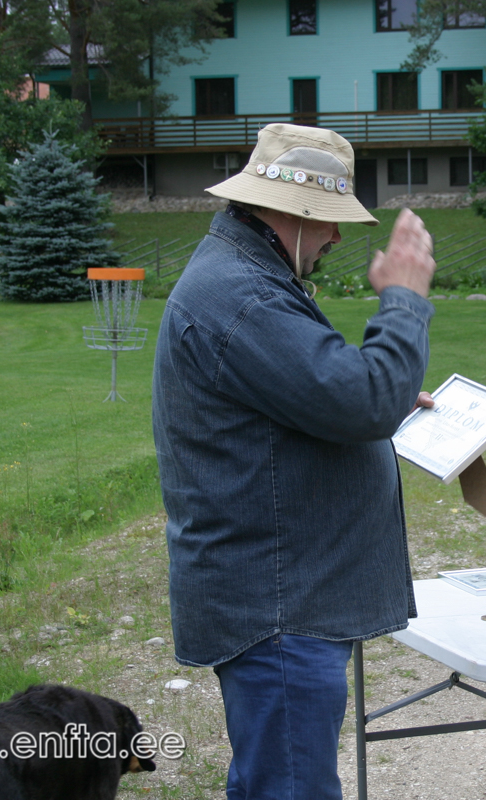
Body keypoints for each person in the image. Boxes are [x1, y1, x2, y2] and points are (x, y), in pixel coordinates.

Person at [152, 123, 437, 800]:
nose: (336, 238)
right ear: (296, 213)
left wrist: (379, 394)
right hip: (278, 609)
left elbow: (319, 395)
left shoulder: (243, 279)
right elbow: (360, 401)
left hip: (282, 599)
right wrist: (404, 300)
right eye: (331, 220)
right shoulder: (241, 296)